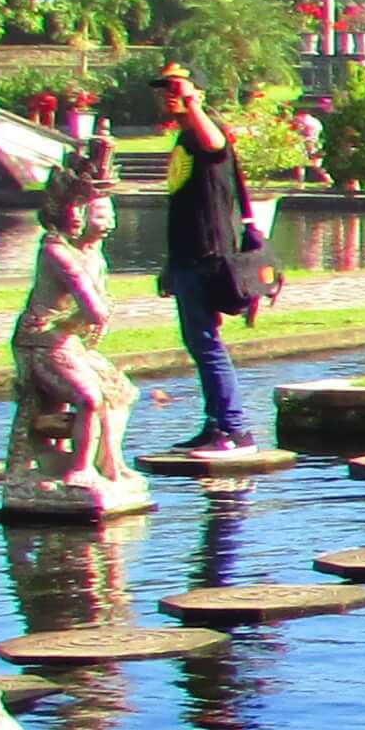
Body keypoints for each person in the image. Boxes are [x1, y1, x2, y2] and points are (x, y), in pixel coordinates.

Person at [151, 63, 273, 445]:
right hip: (187, 257)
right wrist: (169, 265)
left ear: (198, 94)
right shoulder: (184, 140)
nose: (168, 95)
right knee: (200, 343)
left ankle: (233, 426)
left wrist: (192, 102)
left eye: (178, 88)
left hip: (208, 257)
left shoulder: (208, 134)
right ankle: (217, 423)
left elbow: (215, 144)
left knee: (207, 343)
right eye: (164, 88)